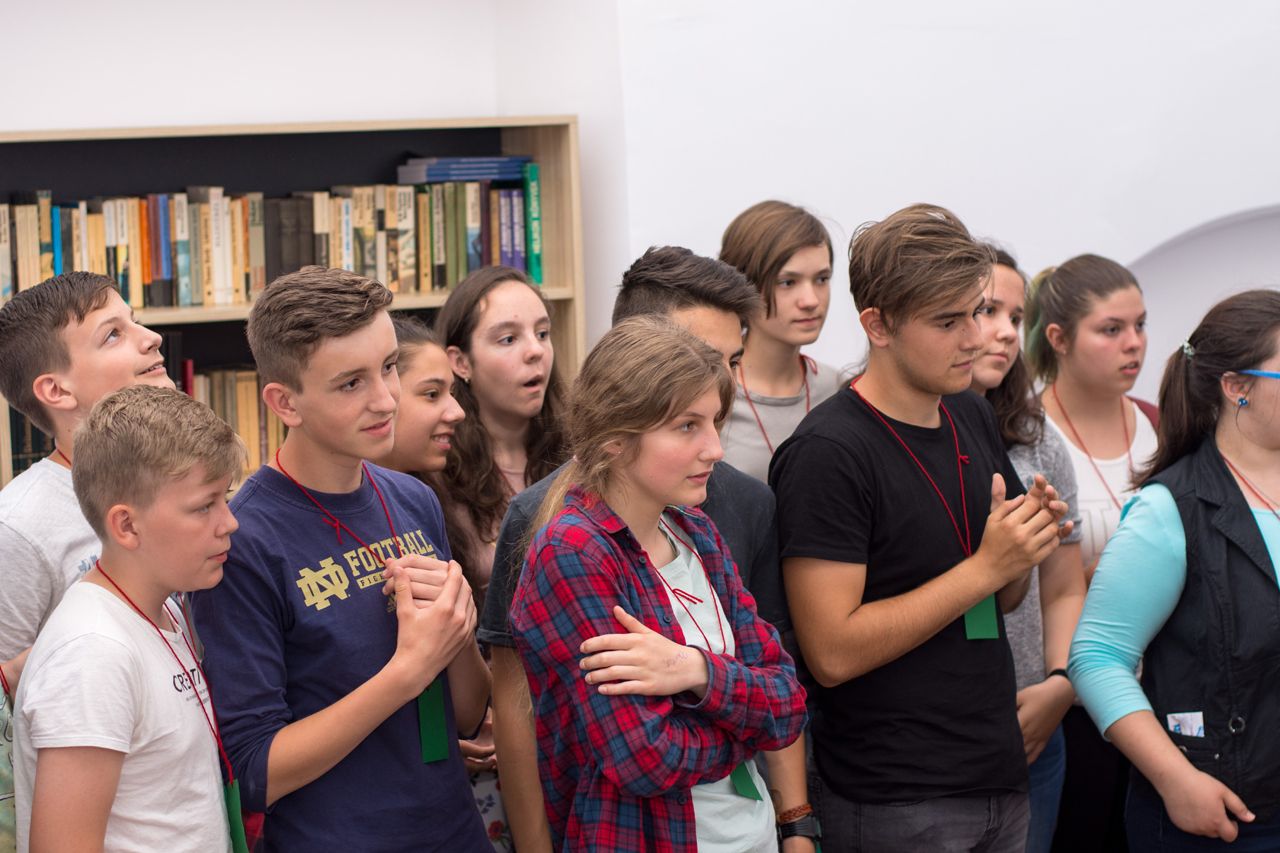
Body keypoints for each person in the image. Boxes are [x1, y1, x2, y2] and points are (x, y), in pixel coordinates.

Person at [479, 246, 813, 852]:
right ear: (614, 439)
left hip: (751, 836)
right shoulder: (574, 551)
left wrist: (696, 672)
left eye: (714, 422)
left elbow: (788, 701)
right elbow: (644, 758)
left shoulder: (695, 531)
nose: (715, 449)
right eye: (687, 426)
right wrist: (744, 724)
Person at [772, 203, 1070, 851]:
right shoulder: (829, 452)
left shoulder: (968, 413)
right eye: (947, 320)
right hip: (895, 794)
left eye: (978, 312)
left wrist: (1023, 544)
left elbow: (1003, 597)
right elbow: (831, 653)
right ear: (878, 324)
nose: (976, 338)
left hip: (996, 769)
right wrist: (985, 568)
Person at [189, 266, 491, 852]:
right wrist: (405, 672)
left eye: (388, 367)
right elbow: (254, 772)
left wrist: (458, 627)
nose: (385, 399)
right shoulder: (242, 541)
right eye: (351, 383)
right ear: (285, 402)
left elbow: (466, 715)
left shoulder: (413, 499)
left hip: (453, 830)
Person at [1069, 290, 1280, 850]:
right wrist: (1175, 779)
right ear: (1237, 388)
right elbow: (1097, 658)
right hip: (1227, 813)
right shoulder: (1171, 510)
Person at [14, 385, 243, 852]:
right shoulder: (94, 654)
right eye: (204, 506)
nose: (229, 522)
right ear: (126, 525)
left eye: (226, 498)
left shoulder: (165, 610)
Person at [0, 271, 176, 848]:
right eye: (113, 334)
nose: (151, 338)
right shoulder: (19, 526)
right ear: (56, 390)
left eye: (136, 322)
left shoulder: (179, 483)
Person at [1025, 254, 1156, 853]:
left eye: (1140, 325)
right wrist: (1115, 572)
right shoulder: (1027, 437)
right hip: (1069, 699)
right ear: (1059, 339)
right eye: (1111, 329)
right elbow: (1018, 580)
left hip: (1158, 694)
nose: (1134, 343)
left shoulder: (1163, 424)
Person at [972, 247, 1087, 852]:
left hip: (1030, 720)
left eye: (1016, 318)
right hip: (928, 733)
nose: (1005, 333)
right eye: (987, 310)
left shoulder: (1037, 440)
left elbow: (1064, 587)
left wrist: (1061, 683)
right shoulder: (882, 434)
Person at [436, 266, 566, 615]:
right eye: (508, 339)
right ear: (461, 362)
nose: (536, 351)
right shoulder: (438, 471)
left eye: (542, 333)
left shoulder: (578, 452)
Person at [717, 201, 843, 481]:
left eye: (822, 279)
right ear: (743, 285)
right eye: (788, 282)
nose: (811, 300)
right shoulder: (711, 399)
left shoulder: (840, 389)